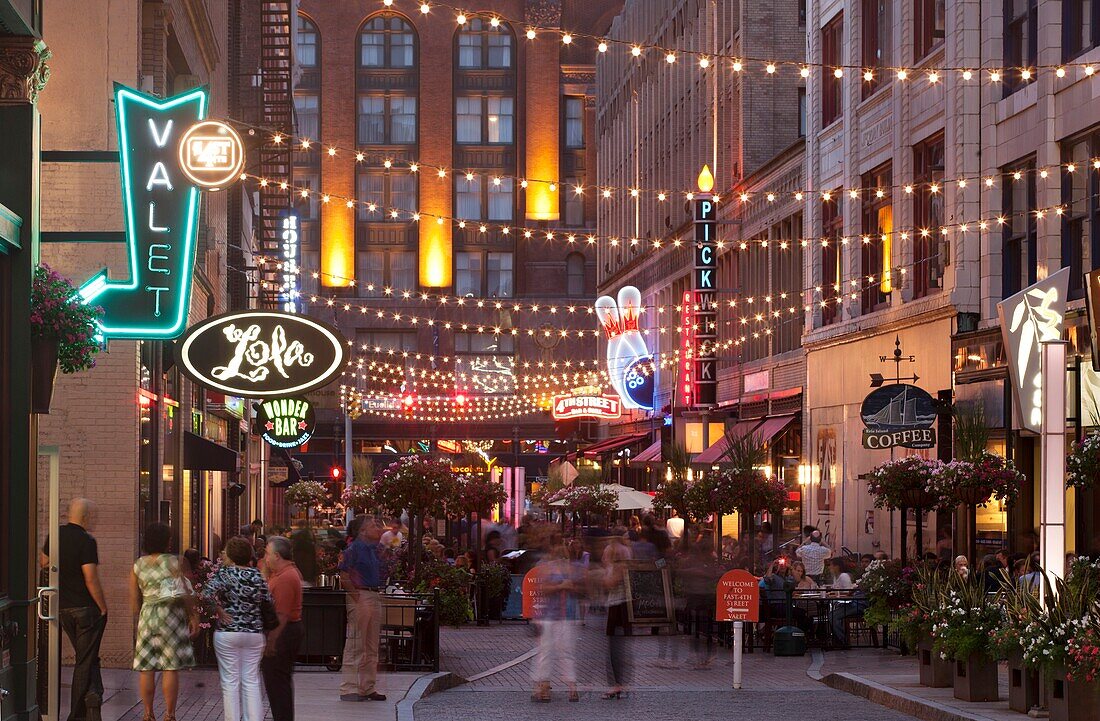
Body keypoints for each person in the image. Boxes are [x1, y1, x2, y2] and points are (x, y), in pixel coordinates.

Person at [42, 498, 108, 721]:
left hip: (62, 608)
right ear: (86, 517)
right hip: (85, 609)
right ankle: (77, 715)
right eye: (94, 517)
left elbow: (43, 562)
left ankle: (93, 705)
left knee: (89, 659)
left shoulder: (55, 535)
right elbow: (90, 578)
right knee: (84, 661)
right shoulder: (87, 540)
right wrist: (102, 606)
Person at [129, 523, 197, 721]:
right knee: (170, 666)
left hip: (148, 615)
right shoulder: (177, 562)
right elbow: (187, 593)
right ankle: (169, 714)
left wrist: (140, 620)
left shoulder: (137, 565)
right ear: (166, 541)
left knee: (146, 666)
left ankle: (148, 713)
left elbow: (134, 599)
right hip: (171, 616)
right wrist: (193, 616)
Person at [201, 537, 273, 721]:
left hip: (228, 631)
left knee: (230, 681)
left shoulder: (225, 574)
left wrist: (219, 611)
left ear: (230, 555)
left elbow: (206, 595)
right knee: (251, 680)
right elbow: (268, 601)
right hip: (254, 633)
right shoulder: (257, 575)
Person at [338, 516, 387, 702]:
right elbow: (344, 575)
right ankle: (349, 688)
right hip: (361, 595)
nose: (377, 527)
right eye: (373, 525)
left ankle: (367, 687)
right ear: (362, 531)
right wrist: (357, 597)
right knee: (356, 642)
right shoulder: (353, 550)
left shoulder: (374, 549)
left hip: (372, 594)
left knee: (371, 644)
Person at [530, 544, 580, 703]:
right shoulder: (562, 569)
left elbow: (544, 588)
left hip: (555, 616)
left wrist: (563, 586)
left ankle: (544, 688)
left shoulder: (558, 569)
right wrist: (562, 586)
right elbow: (545, 589)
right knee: (563, 653)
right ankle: (570, 688)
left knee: (548, 652)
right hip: (560, 615)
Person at [261, 537, 304, 721]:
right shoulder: (281, 574)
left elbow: (282, 614)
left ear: (277, 556)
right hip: (283, 631)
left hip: (283, 633)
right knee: (277, 682)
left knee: (278, 683)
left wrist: (271, 640)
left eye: (267, 554)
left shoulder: (286, 577)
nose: (265, 558)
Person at [602, 528, 633, 699]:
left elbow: (609, 584)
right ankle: (620, 683)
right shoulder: (623, 561)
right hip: (620, 606)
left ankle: (617, 684)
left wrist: (605, 573)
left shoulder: (619, 566)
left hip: (618, 606)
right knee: (618, 646)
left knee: (615, 647)